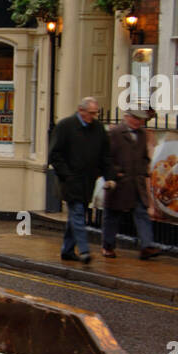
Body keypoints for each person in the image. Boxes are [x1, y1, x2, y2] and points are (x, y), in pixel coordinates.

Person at [48, 96, 115, 264]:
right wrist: (67, 175)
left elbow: (105, 156)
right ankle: (84, 250)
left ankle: (67, 250)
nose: (93, 117)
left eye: (95, 113)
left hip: (88, 181)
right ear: (81, 110)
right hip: (69, 181)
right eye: (90, 113)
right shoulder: (65, 126)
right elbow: (54, 155)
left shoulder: (99, 129)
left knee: (77, 215)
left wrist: (109, 177)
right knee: (78, 214)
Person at [102, 104, 162, 260]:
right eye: (135, 118)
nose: (138, 122)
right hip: (119, 183)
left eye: (140, 119)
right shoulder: (114, 133)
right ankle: (108, 246)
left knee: (142, 213)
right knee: (112, 215)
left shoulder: (142, 134)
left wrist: (143, 171)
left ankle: (147, 246)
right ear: (127, 117)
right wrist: (115, 173)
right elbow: (105, 158)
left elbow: (144, 157)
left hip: (136, 183)